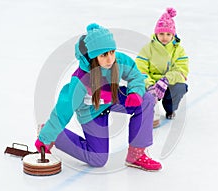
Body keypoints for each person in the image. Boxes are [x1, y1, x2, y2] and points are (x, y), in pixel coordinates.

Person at [35, 23, 161, 171]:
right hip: (92, 111)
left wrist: (135, 92)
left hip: (112, 97)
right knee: (98, 159)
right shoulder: (80, 81)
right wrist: (46, 137)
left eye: (112, 52)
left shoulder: (119, 61)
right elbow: (63, 111)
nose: (110, 59)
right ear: (93, 56)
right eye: (103, 55)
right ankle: (56, 135)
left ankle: (136, 155)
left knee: (146, 99)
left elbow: (135, 75)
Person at [135, 8, 189, 128]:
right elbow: (140, 70)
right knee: (143, 91)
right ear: (156, 34)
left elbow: (181, 71)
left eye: (168, 34)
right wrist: (150, 85)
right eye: (161, 34)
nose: (165, 37)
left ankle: (170, 108)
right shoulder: (147, 49)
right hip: (151, 83)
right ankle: (150, 111)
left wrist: (165, 80)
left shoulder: (178, 50)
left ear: (173, 35)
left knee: (180, 87)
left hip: (168, 84)